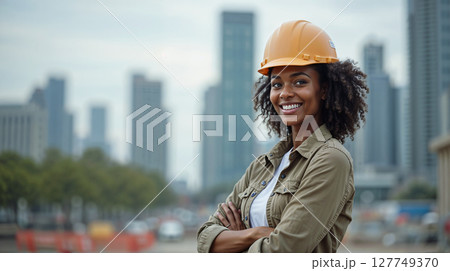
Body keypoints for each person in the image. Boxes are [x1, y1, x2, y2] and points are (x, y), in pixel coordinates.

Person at [197, 20, 369, 253]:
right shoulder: (264, 164)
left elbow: (284, 250)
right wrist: (256, 233)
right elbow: (204, 237)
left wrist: (233, 240)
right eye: (277, 84)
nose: (286, 93)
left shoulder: (330, 160)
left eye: (300, 82)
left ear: (325, 89)